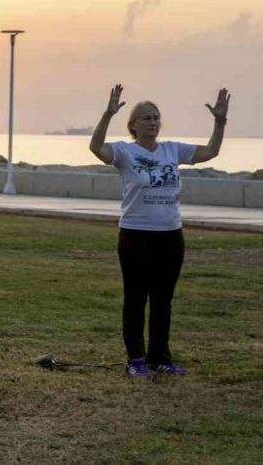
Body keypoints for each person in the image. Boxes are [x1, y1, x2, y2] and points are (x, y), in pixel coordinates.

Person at [89, 84, 230, 380]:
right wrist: (107, 114)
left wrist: (219, 121)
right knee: (136, 298)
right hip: (135, 234)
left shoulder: (172, 150)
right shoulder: (125, 152)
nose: (152, 122)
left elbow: (211, 151)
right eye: (146, 118)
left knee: (163, 299)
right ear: (133, 125)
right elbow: (97, 149)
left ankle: (160, 358)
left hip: (170, 235)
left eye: (156, 118)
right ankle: (136, 360)